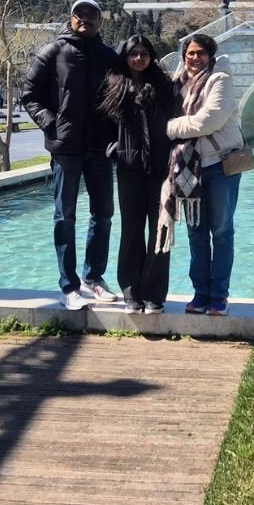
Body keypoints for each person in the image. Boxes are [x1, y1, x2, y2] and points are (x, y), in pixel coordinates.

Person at [21, 0, 119, 310]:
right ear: (71, 18)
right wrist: (52, 125)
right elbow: (30, 95)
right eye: (80, 14)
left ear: (100, 20)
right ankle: (69, 286)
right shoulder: (53, 51)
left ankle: (94, 277)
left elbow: (122, 97)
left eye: (91, 14)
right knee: (65, 216)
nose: (85, 19)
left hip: (100, 148)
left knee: (103, 214)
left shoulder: (109, 56)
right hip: (66, 149)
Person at [158, 32, 244, 316]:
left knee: (221, 231)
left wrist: (167, 128)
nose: (195, 58)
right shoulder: (177, 83)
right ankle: (200, 293)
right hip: (188, 167)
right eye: (190, 53)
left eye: (201, 53)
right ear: (184, 56)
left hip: (220, 165)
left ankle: (219, 295)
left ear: (211, 55)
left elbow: (208, 121)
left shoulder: (220, 79)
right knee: (196, 232)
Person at [99, 34, 175, 314]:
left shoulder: (163, 86)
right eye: (134, 53)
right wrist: (115, 150)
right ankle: (131, 293)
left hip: (161, 170)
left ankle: (154, 294)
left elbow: (174, 121)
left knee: (159, 231)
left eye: (144, 53)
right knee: (131, 231)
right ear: (126, 56)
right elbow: (103, 125)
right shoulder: (114, 85)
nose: (139, 58)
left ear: (151, 56)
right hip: (129, 169)